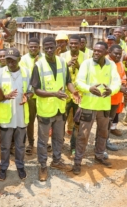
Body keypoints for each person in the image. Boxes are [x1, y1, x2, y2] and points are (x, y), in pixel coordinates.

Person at [30, 36, 80, 181]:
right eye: (47, 48)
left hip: (60, 109)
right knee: (43, 141)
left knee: (59, 137)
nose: (50, 50)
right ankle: (43, 166)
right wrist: (54, 94)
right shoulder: (38, 65)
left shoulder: (62, 62)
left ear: (56, 47)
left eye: (52, 47)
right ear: (43, 49)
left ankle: (56, 161)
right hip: (45, 110)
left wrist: (73, 91)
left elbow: (68, 81)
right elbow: (36, 90)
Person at [73, 42, 121, 174]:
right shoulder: (87, 64)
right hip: (88, 106)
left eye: (99, 51)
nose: (96, 53)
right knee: (83, 135)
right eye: (94, 50)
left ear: (106, 52)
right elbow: (78, 82)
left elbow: (117, 82)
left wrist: (112, 90)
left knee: (103, 133)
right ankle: (78, 161)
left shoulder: (111, 65)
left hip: (104, 106)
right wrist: (89, 88)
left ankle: (99, 155)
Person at [0, 48, 32, 181]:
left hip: (21, 116)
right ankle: (3, 167)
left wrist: (27, 96)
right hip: (6, 117)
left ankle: (20, 166)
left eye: (13, 60)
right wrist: (3, 93)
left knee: (20, 145)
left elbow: (30, 90)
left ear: (19, 60)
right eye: (8, 60)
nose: (10, 63)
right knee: (5, 146)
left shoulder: (26, 72)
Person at [60, 34, 84, 156]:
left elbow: (88, 75)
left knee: (77, 123)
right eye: (72, 43)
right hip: (65, 95)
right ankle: (59, 144)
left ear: (80, 44)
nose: (73, 45)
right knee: (61, 121)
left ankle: (73, 146)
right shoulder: (62, 56)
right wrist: (66, 66)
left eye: (76, 43)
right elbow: (58, 74)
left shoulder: (86, 57)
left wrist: (79, 66)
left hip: (79, 96)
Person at [19, 37, 42, 155]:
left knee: (44, 121)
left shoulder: (44, 58)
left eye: (35, 47)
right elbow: (26, 76)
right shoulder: (23, 60)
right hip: (31, 95)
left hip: (43, 95)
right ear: (27, 47)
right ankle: (31, 143)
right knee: (30, 121)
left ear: (39, 47)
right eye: (31, 47)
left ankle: (44, 142)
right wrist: (34, 64)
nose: (33, 48)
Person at [107, 45, 127, 144]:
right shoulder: (106, 64)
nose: (118, 55)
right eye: (115, 53)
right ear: (109, 52)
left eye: (120, 54)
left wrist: (125, 87)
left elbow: (123, 78)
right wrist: (121, 87)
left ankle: (106, 138)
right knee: (104, 121)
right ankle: (103, 141)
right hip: (106, 98)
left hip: (117, 97)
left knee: (111, 118)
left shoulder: (120, 64)